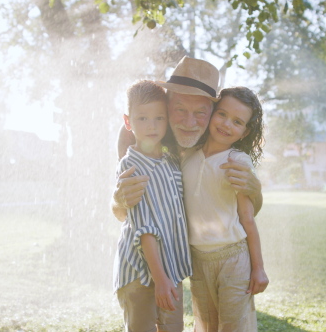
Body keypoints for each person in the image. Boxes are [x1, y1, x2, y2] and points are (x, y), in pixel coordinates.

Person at [112, 56, 263, 221]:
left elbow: (250, 211)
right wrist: (118, 201)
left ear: (213, 112)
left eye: (200, 112)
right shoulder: (135, 135)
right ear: (167, 105)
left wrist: (255, 192)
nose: (189, 123)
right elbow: (123, 213)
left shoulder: (220, 138)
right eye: (180, 110)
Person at [182, 87, 268, 330]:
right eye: (222, 114)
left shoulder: (237, 162)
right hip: (197, 260)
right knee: (206, 324)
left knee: (233, 326)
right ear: (211, 113)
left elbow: (248, 219)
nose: (227, 124)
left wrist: (259, 269)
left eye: (237, 121)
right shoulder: (187, 156)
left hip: (233, 258)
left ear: (245, 132)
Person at [113, 80, 191, 332]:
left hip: (170, 269)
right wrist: (160, 279)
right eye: (142, 118)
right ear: (128, 122)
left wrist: (168, 277)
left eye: (159, 118)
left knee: (173, 328)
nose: (151, 126)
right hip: (139, 273)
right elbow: (144, 228)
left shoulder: (171, 162)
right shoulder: (130, 167)